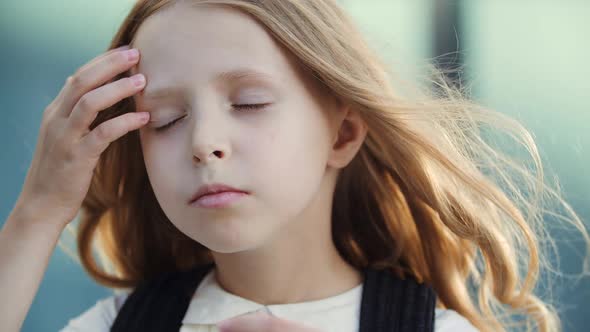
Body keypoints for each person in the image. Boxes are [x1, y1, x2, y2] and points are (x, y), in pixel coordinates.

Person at [1, 1, 588, 331]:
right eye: (166, 121)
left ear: (344, 133)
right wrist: (38, 212)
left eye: (249, 104)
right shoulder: (118, 326)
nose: (205, 142)